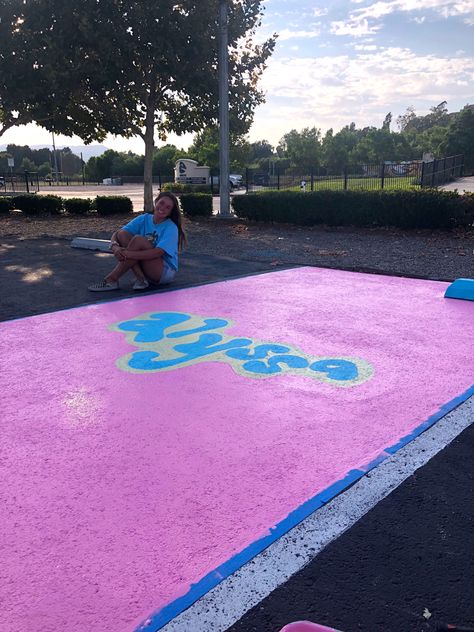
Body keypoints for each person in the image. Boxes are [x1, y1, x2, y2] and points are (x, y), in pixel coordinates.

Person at [88, 191, 187, 292]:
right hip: (146, 265)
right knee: (123, 234)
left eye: (168, 207)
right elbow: (118, 233)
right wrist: (115, 247)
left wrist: (126, 254)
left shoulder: (171, 227)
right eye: (161, 203)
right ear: (156, 201)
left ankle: (112, 279)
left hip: (163, 272)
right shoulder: (144, 219)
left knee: (138, 240)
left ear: (171, 212)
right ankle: (141, 278)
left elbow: (158, 252)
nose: (163, 208)